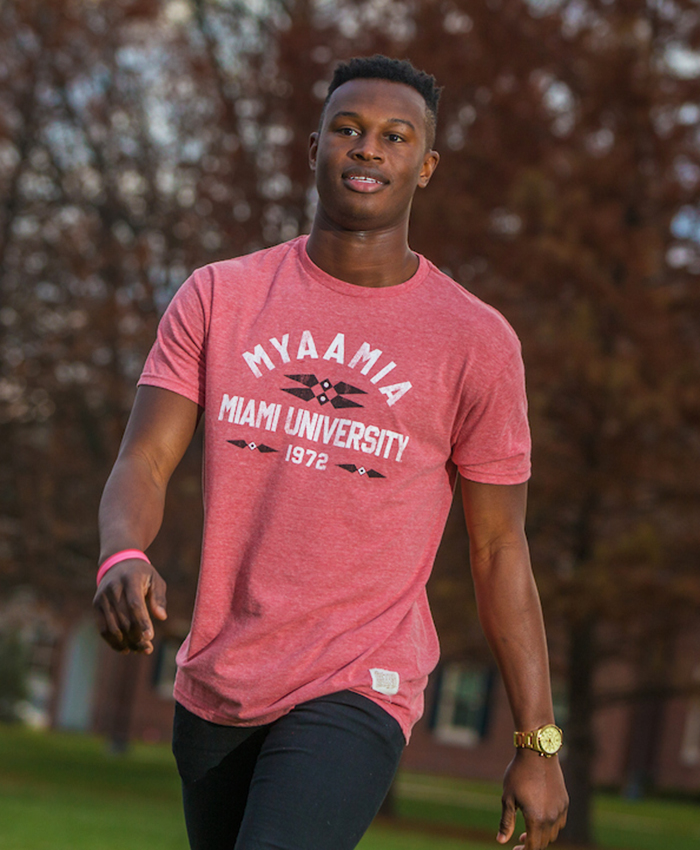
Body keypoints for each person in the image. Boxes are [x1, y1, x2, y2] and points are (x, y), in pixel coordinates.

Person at [93, 55, 568, 850]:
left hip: (360, 679)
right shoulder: (220, 297)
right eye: (348, 130)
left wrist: (536, 739)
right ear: (314, 146)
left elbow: (497, 545)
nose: (368, 149)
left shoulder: (475, 342)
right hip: (219, 680)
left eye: (394, 136)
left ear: (426, 166)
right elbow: (143, 459)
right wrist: (121, 555)